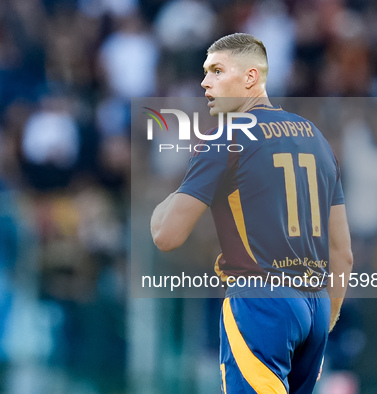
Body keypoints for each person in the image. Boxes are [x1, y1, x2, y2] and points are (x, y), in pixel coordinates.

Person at [150, 33, 353, 393]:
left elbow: (166, 235)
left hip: (261, 301)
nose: (205, 82)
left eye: (216, 71)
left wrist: (170, 195)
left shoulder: (226, 136)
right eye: (205, 72)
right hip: (316, 305)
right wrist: (324, 323)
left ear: (250, 78)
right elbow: (343, 255)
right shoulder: (316, 138)